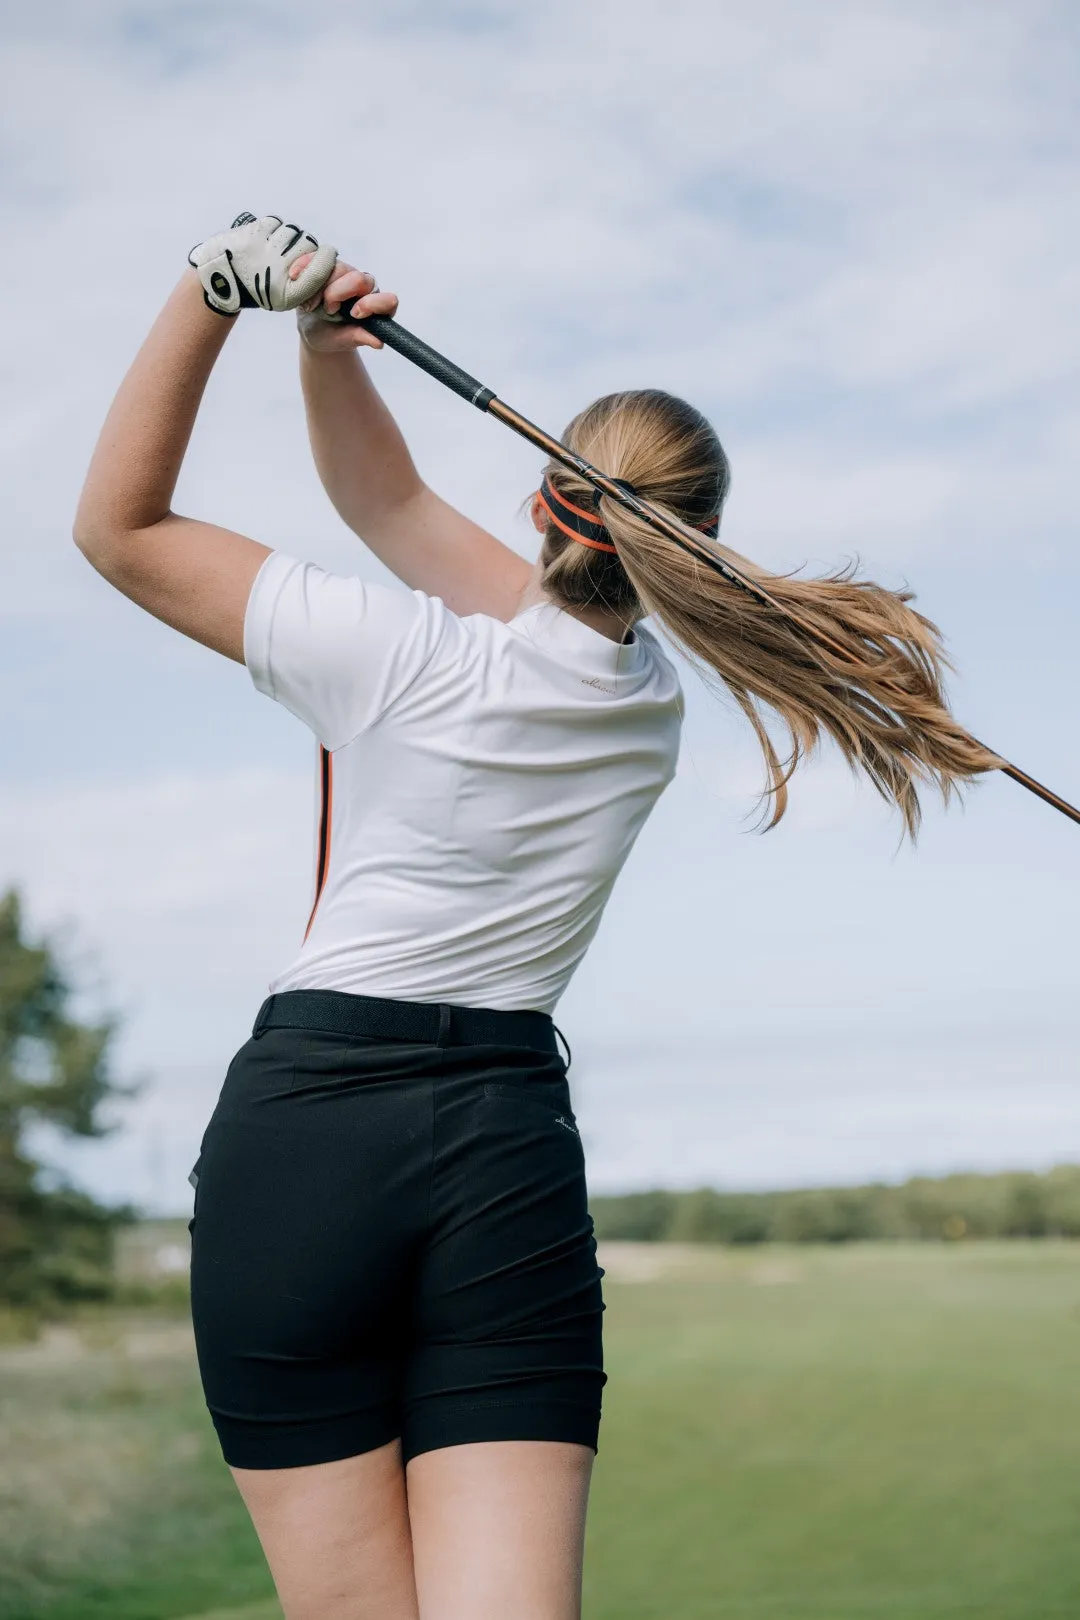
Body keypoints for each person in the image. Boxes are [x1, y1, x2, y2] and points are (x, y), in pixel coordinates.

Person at [73, 214, 997, 1620]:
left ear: (541, 505)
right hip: (504, 1150)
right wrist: (334, 355)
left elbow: (122, 528)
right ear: (692, 547)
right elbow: (393, 513)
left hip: (313, 1135)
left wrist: (215, 294)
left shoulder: (399, 659)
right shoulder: (645, 708)